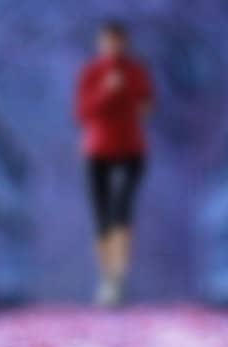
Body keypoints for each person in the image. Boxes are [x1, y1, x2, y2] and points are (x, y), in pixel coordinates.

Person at [75, 21, 153, 307]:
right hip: (96, 150)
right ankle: (105, 275)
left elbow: (146, 108)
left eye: (118, 41)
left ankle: (118, 276)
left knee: (121, 209)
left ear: (125, 42)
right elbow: (82, 113)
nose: (113, 47)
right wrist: (107, 92)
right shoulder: (91, 72)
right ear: (100, 43)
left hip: (131, 149)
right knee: (102, 216)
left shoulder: (135, 72)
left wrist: (128, 94)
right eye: (108, 41)